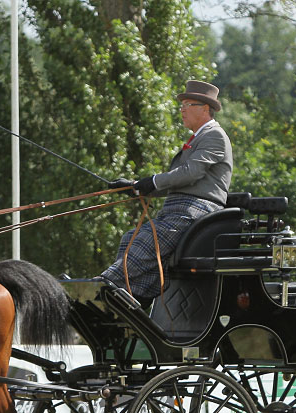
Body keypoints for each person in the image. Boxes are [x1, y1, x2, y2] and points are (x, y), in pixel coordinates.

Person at [100, 80, 233, 303]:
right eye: (181, 104)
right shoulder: (199, 137)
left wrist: (152, 181)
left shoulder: (215, 135)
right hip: (179, 209)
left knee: (146, 242)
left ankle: (105, 285)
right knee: (130, 239)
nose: (181, 109)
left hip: (196, 210)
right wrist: (135, 187)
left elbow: (190, 173)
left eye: (187, 104)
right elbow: (179, 180)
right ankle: (130, 298)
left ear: (205, 108)